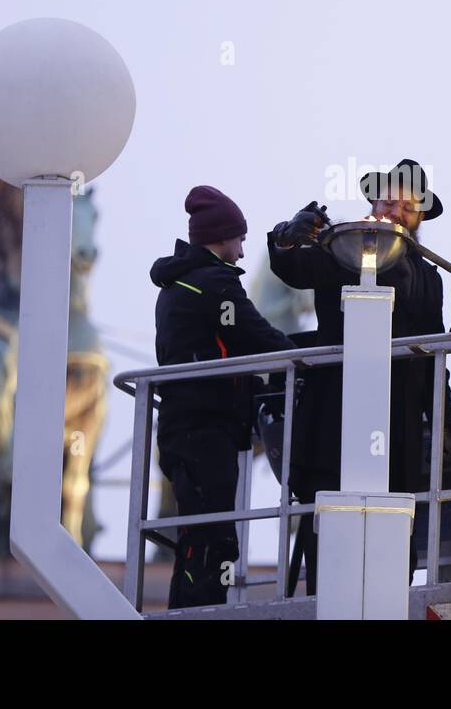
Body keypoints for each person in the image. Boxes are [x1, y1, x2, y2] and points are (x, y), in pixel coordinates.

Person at [268, 159, 451, 593]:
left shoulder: (429, 277)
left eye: (407, 206)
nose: (395, 211)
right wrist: (287, 235)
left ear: (420, 217)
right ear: (372, 203)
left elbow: (432, 353)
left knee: (393, 539)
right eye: (387, 200)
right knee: (329, 537)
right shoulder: (339, 252)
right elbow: (292, 268)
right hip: (333, 415)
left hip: (399, 426)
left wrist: (442, 424)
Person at [151, 185, 296, 608]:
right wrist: (305, 360)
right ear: (222, 237)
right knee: (216, 539)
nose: (242, 252)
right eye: (240, 239)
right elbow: (255, 335)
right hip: (205, 432)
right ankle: (200, 613)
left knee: (197, 535)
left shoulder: (179, 284)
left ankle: (186, 611)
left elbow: (227, 343)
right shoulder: (214, 284)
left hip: (185, 429)